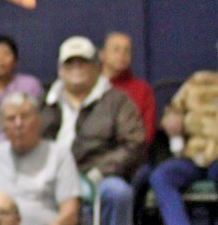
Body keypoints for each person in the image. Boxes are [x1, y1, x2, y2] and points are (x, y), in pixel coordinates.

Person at [41, 36, 145, 225]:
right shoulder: (44, 101)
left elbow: (134, 143)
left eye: (83, 63)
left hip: (98, 174)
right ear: (60, 70)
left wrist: (98, 172)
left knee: (118, 192)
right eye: (70, 63)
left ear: (97, 66)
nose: (77, 68)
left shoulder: (117, 100)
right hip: (50, 175)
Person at [0, 92, 80, 225]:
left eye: (25, 116)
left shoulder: (59, 155)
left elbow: (70, 214)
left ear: (38, 120)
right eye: (11, 119)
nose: (18, 124)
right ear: (2, 125)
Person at [147, 70, 218, 225]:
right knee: (161, 176)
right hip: (192, 156)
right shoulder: (198, 82)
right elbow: (172, 110)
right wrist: (170, 119)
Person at [98, 32, 156, 145]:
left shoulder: (142, 89)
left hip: (130, 151)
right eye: (116, 50)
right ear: (102, 54)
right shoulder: (89, 86)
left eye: (127, 50)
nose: (122, 55)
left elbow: (146, 134)